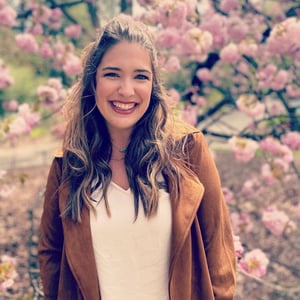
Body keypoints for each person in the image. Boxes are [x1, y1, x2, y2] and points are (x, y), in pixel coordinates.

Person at [38, 14, 236, 300]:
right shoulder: (69, 165)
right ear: (93, 82)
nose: (127, 90)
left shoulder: (187, 150)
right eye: (112, 74)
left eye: (140, 76)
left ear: (153, 85)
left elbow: (218, 251)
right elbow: (51, 258)